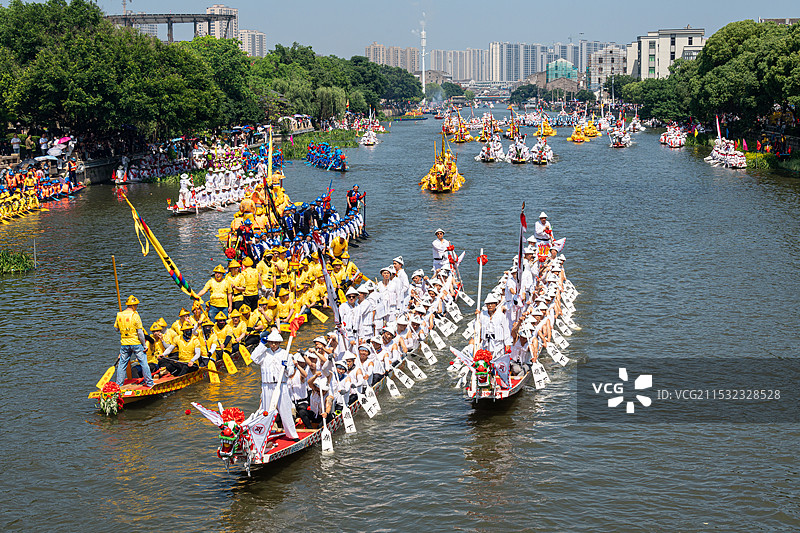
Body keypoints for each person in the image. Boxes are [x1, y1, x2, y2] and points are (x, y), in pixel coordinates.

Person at [251, 329, 299, 440]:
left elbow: (291, 372)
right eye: (271, 342)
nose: (274, 345)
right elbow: (253, 358)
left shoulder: (285, 353)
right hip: (267, 385)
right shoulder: (264, 353)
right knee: (265, 411)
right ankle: (264, 434)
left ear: (279, 343)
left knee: (285, 410)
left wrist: (286, 367)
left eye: (276, 342)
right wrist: (261, 345)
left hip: (281, 385)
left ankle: (292, 434)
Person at [114, 295, 154, 388]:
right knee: (144, 362)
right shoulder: (135, 315)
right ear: (134, 306)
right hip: (135, 342)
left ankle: (118, 385)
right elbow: (140, 332)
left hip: (124, 343)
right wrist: (144, 345)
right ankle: (149, 383)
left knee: (122, 365)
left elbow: (116, 329)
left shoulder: (119, 315)